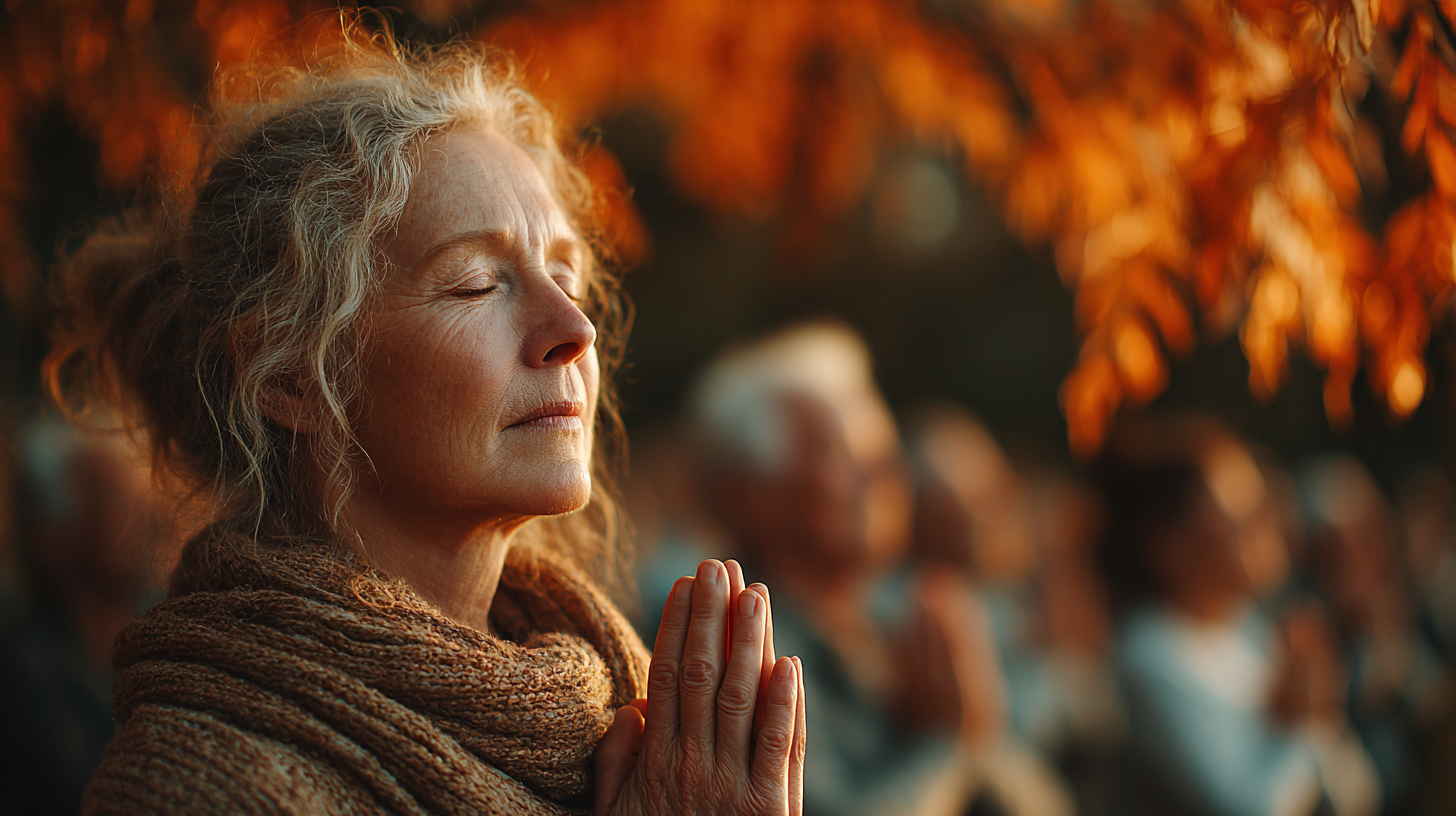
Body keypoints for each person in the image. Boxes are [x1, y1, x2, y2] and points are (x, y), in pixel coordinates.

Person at [49, 30, 805, 815]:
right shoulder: (196, 790)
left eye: (564, 274)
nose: (573, 327)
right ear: (291, 376)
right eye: (477, 284)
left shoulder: (623, 707)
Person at [685, 322, 1068, 816]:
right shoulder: (735, 650)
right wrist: (946, 745)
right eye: (843, 452)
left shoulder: (901, 615)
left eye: (882, 449)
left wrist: (978, 733)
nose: (882, 473)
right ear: (750, 495)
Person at [1095, 415, 1379, 816]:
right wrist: (1304, 724)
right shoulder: (1148, 656)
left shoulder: (1251, 635)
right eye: (1234, 503)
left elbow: (1359, 792)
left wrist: (1318, 714)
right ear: (1166, 541)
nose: (1261, 518)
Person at [0, 414, 181, 816]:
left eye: (140, 500)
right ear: (52, 537)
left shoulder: (158, 643)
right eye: (119, 502)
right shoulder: (24, 679)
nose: (149, 520)